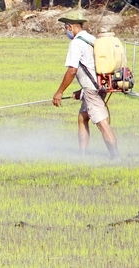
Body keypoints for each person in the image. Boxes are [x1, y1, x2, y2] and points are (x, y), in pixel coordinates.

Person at [52, 11, 120, 159]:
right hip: (99, 85)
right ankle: (82, 155)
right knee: (83, 118)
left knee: (102, 123)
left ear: (70, 27)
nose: (66, 31)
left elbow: (72, 70)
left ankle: (116, 158)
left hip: (91, 89)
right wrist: (81, 90)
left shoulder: (76, 43)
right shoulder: (91, 38)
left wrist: (60, 92)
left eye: (66, 28)